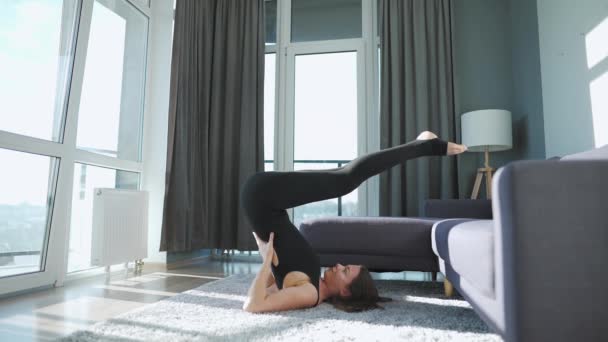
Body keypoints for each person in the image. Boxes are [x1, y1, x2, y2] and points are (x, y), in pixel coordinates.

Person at [240, 131, 467, 313]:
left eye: (345, 270)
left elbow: (254, 304)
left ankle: (424, 145)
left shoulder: (308, 295)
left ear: (346, 292)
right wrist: (267, 258)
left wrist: (265, 260)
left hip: (262, 196)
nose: (338, 265)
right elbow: (273, 287)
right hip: (266, 201)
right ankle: (423, 145)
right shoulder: (311, 286)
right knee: (343, 176)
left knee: (345, 180)